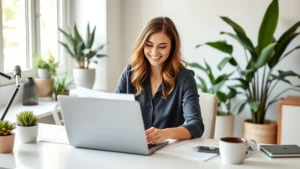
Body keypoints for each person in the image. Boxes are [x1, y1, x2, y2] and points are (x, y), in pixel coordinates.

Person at [115, 16, 204, 144]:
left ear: (172, 47)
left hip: (165, 153)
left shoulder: (185, 78)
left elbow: (196, 125)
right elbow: (114, 113)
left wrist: (165, 133)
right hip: (130, 147)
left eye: (162, 46)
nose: (154, 52)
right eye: (149, 45)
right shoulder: (130, 73)